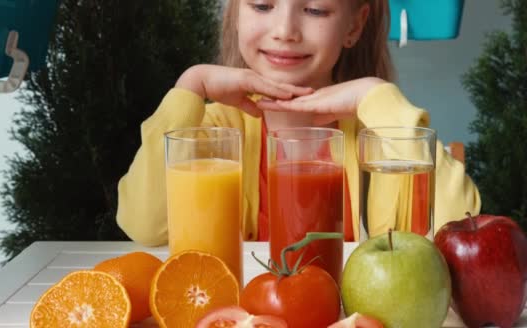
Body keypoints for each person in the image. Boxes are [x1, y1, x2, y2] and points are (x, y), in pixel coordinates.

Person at [116, 0, 481, 246]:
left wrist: (376, 96)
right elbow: (143, 224)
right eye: (261, 5)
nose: (285, 30)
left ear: (355, 25)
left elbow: (455, 230)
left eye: (315, 10)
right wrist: (190, 86)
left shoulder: (382, 138)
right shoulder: (211, 134)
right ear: (235, 14)